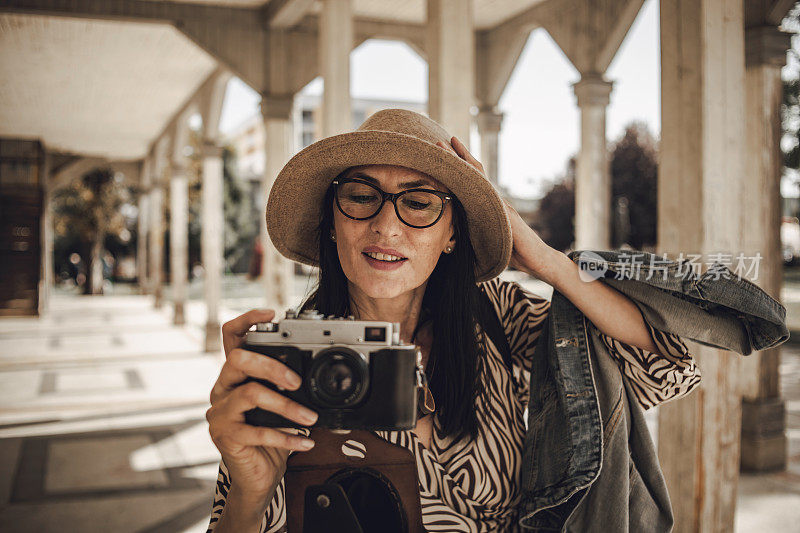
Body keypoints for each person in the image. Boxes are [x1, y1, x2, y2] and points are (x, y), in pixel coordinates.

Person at [204, 109, 700, 532]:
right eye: (360, 196)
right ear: (331, 222)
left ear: (451, 235)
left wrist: (545, 260)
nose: (385, 225)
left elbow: (663, 364)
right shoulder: (287, 360)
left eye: (418, 203)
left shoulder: (497, 317)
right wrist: (251, 489)